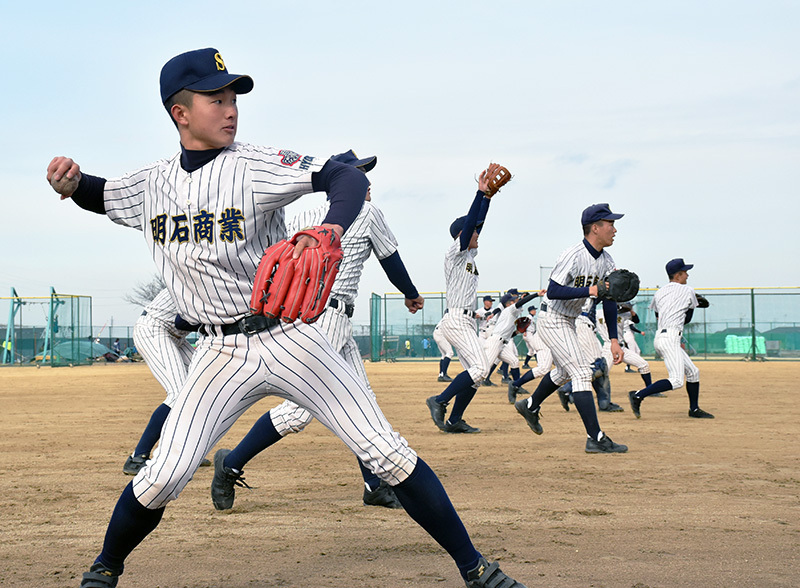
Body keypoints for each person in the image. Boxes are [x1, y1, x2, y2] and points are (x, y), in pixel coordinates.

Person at [48, 48, 525, 588]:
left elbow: (346, 178)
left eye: (232, 97)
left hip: (293, 337)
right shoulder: (150, 183)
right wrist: (72, 183)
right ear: (179, 112)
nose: (230, 108)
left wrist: (332, 228)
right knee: (164, 476)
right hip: (219, 353)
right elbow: (101, 193)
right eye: (215, 98)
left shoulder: (253, 165)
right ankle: (104, 569)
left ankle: (476, 569)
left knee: (385, 452)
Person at [211, 150, 425, 511]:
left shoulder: (304, 215)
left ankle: (373, 484)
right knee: (298, 411)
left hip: (303, 312)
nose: (366, 182)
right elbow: (391, 260)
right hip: (323, 318)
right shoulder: (369, 212)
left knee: (362, 401)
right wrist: (412, 295)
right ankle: (230, 464)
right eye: (358, 174)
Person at [513, 203, 629, 453]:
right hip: (552, 318)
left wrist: (613, 340)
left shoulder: (607, 261)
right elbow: (553, 291)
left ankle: (530, 405)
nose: (615, 229)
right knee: (582, 373)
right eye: (610, 224)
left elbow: (608, 300)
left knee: (566, 372)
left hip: (570, 320)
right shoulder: (573, 255)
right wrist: (591, 290)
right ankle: (595, 438)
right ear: (595, 228)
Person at [425, 169, 499, 434]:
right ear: (461, 235)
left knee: (475, 376)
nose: (477, 231)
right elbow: (470, 225)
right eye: (472, 230)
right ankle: (439, 400)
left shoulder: (470, 257)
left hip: (467, 321)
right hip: (456, 319)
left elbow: (478, 222)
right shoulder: (455, 254)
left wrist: (488, 198)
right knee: (481, 368)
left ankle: (454, 420)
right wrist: (479, 193)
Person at [123, 288, 211, 475]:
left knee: (201, 390)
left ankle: (184, 452)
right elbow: (182, 321)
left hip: (175, 336)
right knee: (178, 394)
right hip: (154, 328)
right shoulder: (199, 274)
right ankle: (138, 456)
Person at [628, 259, 714, 419]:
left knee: (693, 372)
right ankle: (638, 394)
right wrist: (694, 306)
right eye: (685, 272)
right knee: (676, 380)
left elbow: (657, 315)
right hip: (671, 337)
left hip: (661, 337)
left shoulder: (659, 292)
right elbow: (686, 320)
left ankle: (694, 409)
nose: (687, 275)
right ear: (678, 275)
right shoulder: (688, 290)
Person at [433, 317, 455, 382]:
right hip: (440, 334)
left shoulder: (448, 316)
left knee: (444, 355)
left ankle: (441, 374)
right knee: (450, 353)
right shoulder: (452, 317)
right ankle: (443, 375)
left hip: (437, 333)